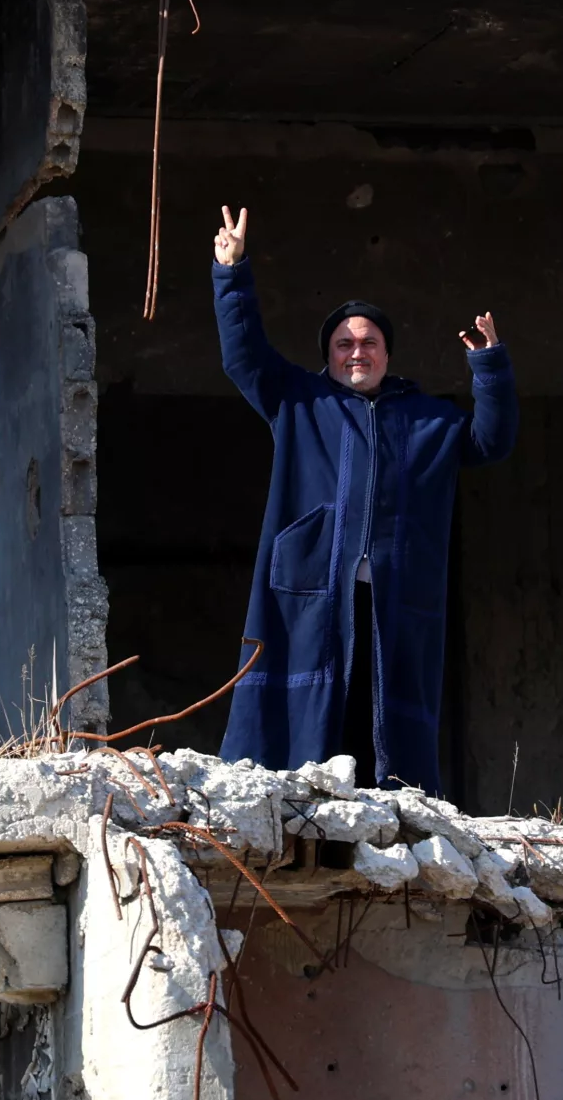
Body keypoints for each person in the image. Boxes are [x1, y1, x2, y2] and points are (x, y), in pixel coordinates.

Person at [210, 204, 515, 789]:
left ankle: (387, 813)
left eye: (368, 342)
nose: (356, 351)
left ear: (387, 354)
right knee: (309, 709)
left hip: (394, 593)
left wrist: (489, 365)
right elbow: (242, 356)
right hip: (313, 586)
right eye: (343, 343)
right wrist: (232, 273)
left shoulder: (428, 421)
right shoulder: (299, 401)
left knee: (380, 713)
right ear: (327, 355)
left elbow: (491, 441)